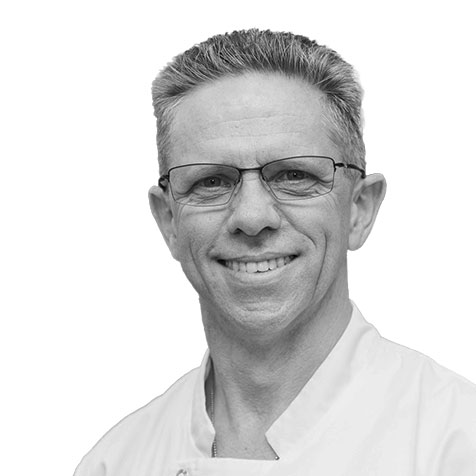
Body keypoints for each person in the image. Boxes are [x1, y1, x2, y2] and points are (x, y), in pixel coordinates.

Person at [74, 29, 476, 475]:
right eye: (211, 181)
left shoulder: (457, 442)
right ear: (168, 220)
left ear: (359, 209)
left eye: (293, 176)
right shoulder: (115, 463)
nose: (251, 216)